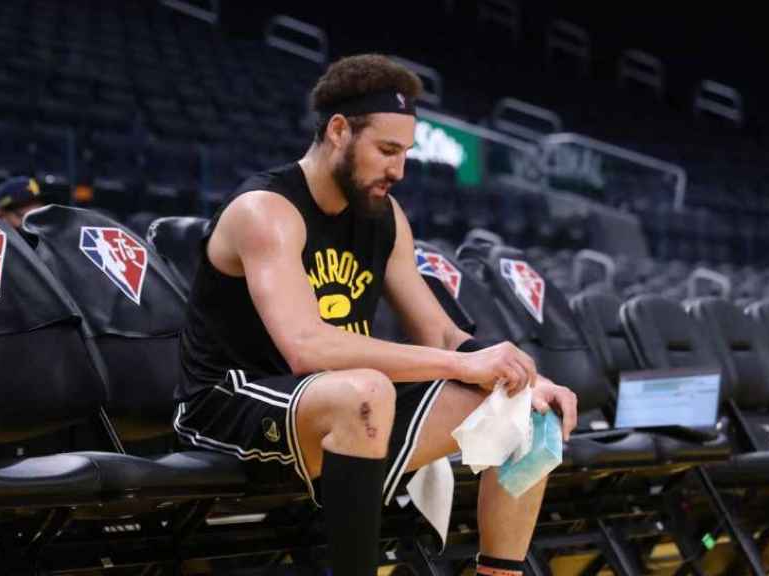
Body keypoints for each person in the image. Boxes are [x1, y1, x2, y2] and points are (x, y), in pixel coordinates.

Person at [174, 54, 578, 575]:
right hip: (233, 398)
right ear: (339, 131)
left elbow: (439, 331)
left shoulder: (384, 216)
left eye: (406, 152)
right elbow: (306, 348)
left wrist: (524, 377)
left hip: (343, 400)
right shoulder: (266, 210)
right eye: (387, 150)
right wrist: (460, 368)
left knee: (525, 408)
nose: (399, 170)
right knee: (366, 391)